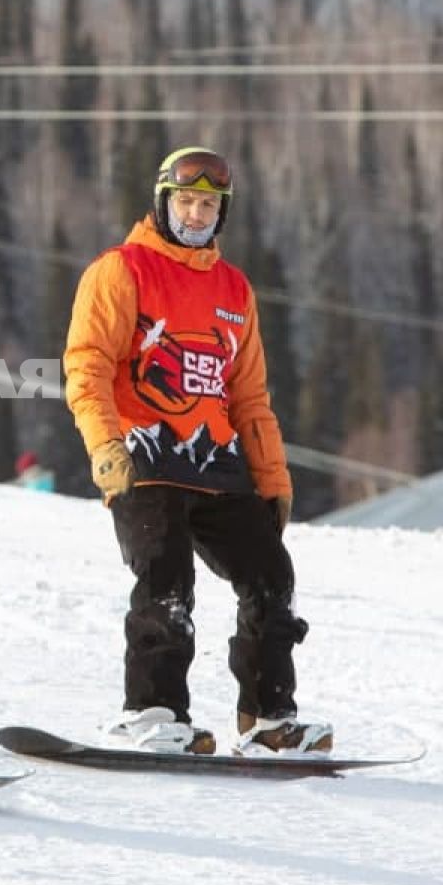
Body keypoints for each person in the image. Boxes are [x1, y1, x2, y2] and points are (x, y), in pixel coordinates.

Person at [63, 146, 330, 757]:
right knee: (166, 579)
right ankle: (152, 714)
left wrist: (272, 479)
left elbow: (250, 396)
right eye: (185, 200)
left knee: (270, 576)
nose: (195, 212)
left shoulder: (234, 288)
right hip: (144, 455)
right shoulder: (121, 270)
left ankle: (268, 719)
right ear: (163, 202)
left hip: (215, 462)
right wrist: (104, 443)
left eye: (208, 203)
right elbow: (87, 366)